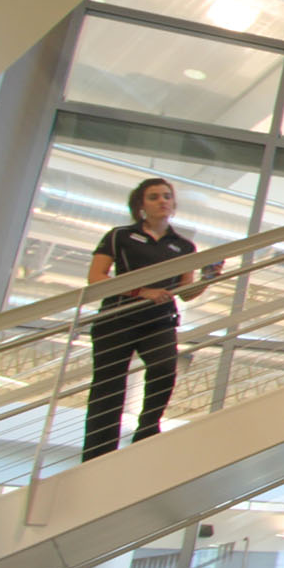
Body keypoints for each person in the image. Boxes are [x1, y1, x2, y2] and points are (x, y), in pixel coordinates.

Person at [81, 176, 215, 461]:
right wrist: (142, 292)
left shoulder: (183, 246)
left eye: (167, 196)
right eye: (154, 197)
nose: (162, 201)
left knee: (165, 369)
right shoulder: (119, 236)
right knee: (108, 388)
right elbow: (96, 278)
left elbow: (186, 293)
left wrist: (209, 278)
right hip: (117, 319)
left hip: (159, 320)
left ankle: (147, 429)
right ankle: (97, 455)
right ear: (141, 205)